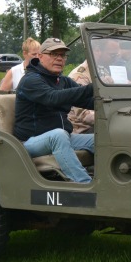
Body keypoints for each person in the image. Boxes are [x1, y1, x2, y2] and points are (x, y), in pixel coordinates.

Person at [14, 37, 96, 184]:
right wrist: (91, 88)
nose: (59, 59)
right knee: (58, 135)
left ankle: (114, 181)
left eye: (62, 55)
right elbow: (52, 97)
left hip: (63, 137)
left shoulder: (62, 81)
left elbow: (88, 101)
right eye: (53, 54)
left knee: (102, 140)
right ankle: (85, 185)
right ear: (40, 56)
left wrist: (114, 100)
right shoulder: (31, 80)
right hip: (30, 141)